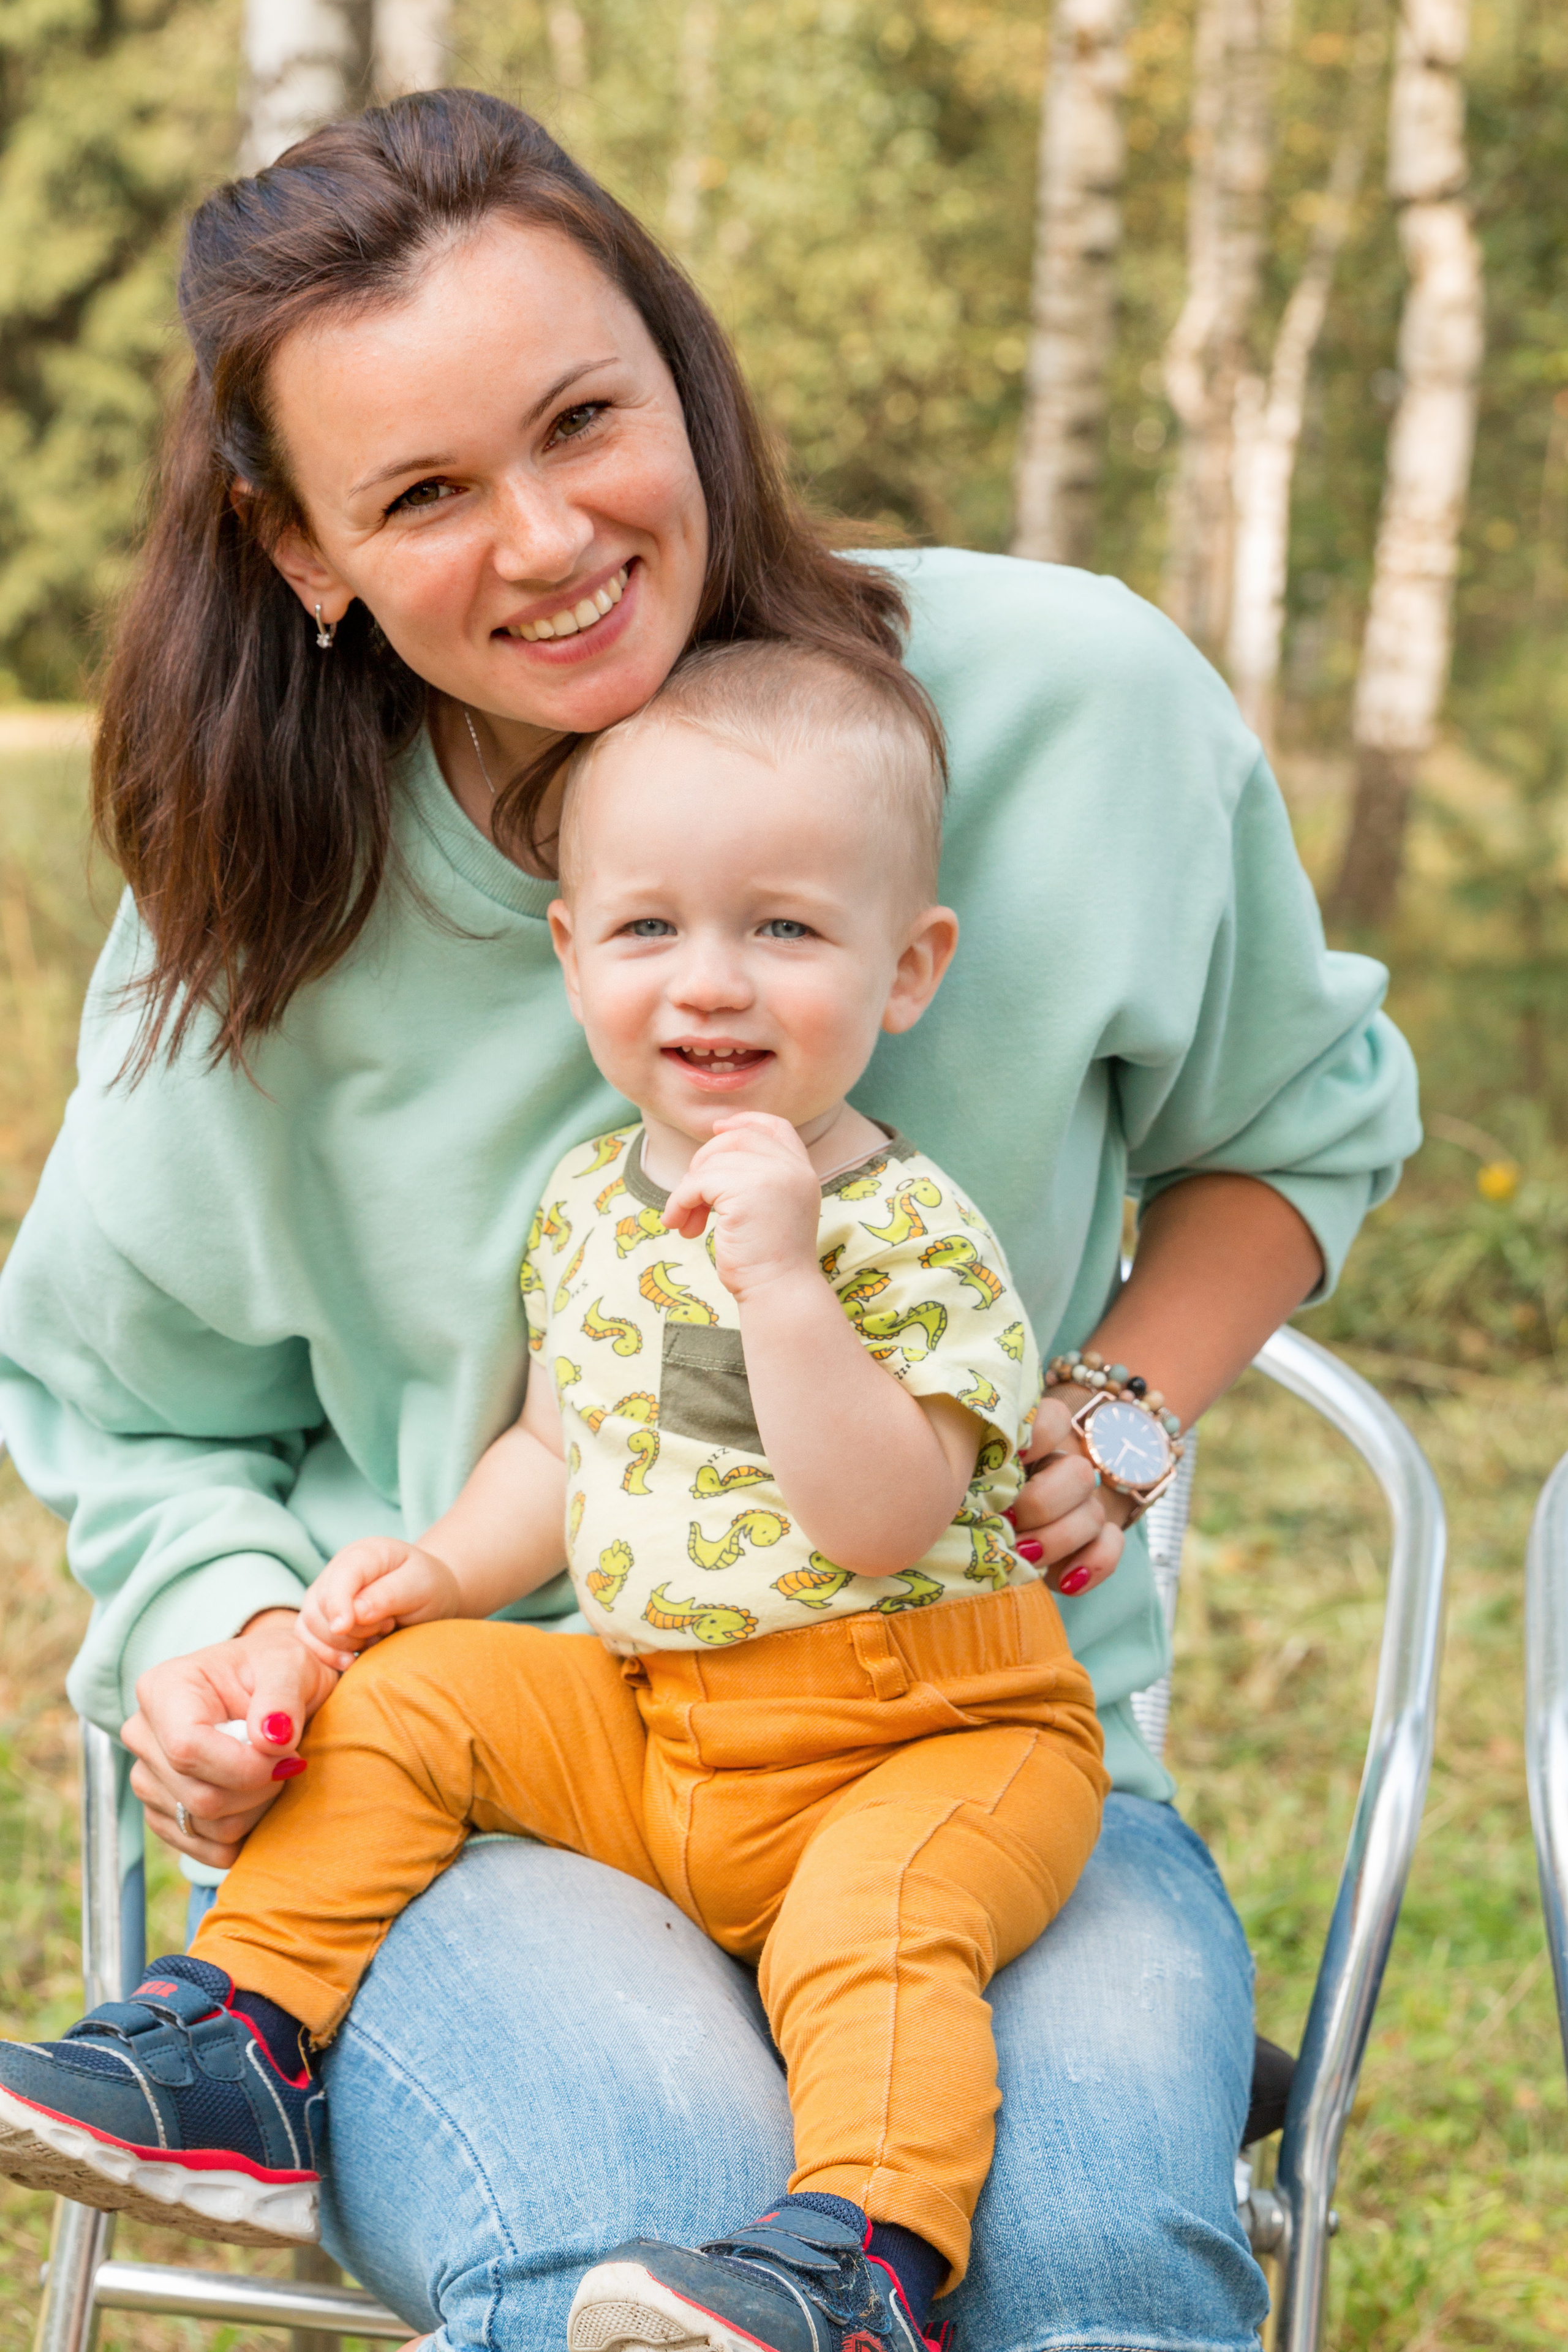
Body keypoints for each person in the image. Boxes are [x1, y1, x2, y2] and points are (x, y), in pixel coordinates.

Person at [0, 88, 1419, 2352]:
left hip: (971, 1748)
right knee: (635, 2231)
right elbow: (136, 1413)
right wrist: (243, 1639)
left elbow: (1296, 1132)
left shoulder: (1073, 710)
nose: (552, 537)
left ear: (685, 370)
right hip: (503, 1801)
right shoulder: (259, 920)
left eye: (585, 420)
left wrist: (1131, 1404)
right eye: (428, 494)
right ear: (306, 554)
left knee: (1075, 2265)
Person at [1, 640, 1117, 2352]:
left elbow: (886, 1515)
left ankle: (861, 2256)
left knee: (876, 1927)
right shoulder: (593, 1203)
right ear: (574, 952)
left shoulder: (907, 1226)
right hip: (662, 1723)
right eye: (654, 929)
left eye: (788, 930)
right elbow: (559, 1454)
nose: (715, 984)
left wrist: (788, 1291)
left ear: (909, 970)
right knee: (417, 1695)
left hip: (929, 1736)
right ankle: (244, 2039)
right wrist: (435, 1577)